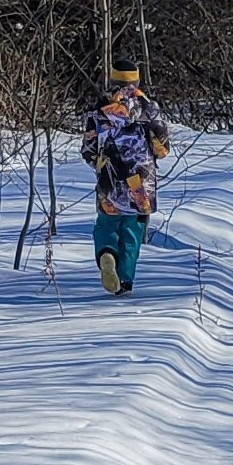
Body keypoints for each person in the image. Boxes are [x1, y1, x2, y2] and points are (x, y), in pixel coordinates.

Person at [80, 65, 171, 294]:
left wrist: (100, 166)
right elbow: (162, 149)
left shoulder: (98, 110)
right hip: (140, 182)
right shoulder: (149, 109)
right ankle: (125, 280)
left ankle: (107, 255)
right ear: (137, 81)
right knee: (133, 230)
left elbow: (88, 149)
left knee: (107, 224)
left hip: (109, 179)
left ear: (112, 78)